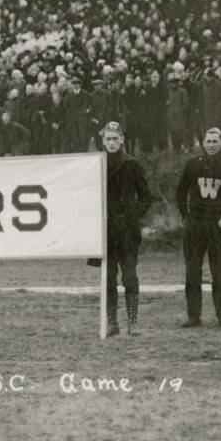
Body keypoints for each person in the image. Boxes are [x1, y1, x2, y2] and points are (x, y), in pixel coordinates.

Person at [88, 122, 155, 337]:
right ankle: (111, 322)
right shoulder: (96, 164)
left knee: (129, 276)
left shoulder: (132, 164)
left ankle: (133, 322)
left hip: (126, 230)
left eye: (115, 139)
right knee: (108, 277)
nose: (111, 143)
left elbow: (146, 196)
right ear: (102, 141)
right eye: (107, 139)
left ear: (122, 140)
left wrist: (133, 215)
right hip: (105, 230)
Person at [175, 128, 221, 327]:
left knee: (220, 270)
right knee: (193, 270)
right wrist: (185, 215)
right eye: (208, 141)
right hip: (195, 223)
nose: (212, 145)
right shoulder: (192, 164)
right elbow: (180, 192)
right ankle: (193, 315)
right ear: (203, 143)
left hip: (219, 224)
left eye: (215, 141)